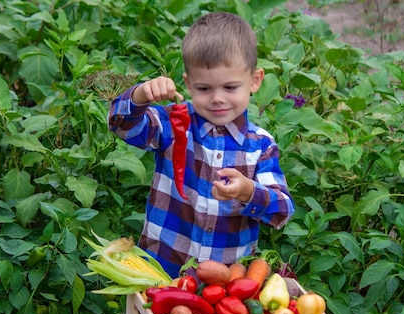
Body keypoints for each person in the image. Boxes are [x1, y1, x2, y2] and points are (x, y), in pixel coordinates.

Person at [108, 12, 295, 278]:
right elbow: (121, 125)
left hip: (226, 287)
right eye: (204, 89)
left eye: (230, 87)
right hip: (162, 271)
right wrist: (140, 95)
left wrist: (247, 191)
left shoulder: (259, 147)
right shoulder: (174, 124)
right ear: (188, 84)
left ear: (255, 80)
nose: (218, 99)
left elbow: (283, 211)